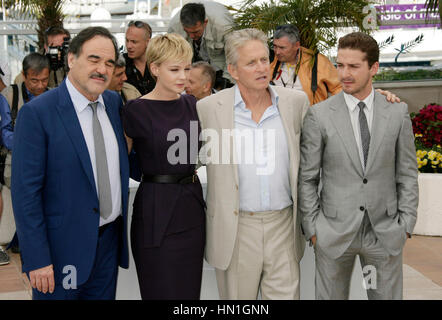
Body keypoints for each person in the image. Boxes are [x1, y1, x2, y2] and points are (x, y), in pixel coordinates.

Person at [11, 26, 130, 300]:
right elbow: (25, 194)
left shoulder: (113, 103)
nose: (102, 69)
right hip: (60, 252)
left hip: (108, 247)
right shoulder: (37, 114)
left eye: (109, 63)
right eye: (94, 59)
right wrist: (37, 258)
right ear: (71, 59)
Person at [298, 32, 418, 300]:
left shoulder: (397, 112)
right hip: (333, 233)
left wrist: (406, 223)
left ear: (373, 68)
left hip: (384, 234)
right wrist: (314, 228)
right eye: (340, 65)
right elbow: (308, 178)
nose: (344, 74)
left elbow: (407, 174)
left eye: (353, 66)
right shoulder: (319, 115)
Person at [197, 28, 309, 299]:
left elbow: (318, 150)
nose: (262, 68)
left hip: (284, 225)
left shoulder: (296, 103)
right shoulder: (209, 108)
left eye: (264, 59)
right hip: (236, 231)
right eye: (251, 63)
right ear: (233, 71)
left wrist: (378, 98)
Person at [122, 33, 205, 300]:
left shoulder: (193, 105)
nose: (183, 76)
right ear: (155, 68)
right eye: (174, 69)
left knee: (189, 293)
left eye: (187, 68)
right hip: (154, 212)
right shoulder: (135, 110)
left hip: (191, 210)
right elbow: (125, 163)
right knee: (159, 290)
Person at [270, 24, 341, 105]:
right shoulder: (270, 62)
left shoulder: (317, 61)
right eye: (275, 46)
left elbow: (339, 88)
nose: (277, 52)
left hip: (310, 115)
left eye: (282, 48)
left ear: (296, 45)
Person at [168, 1, 234, 88]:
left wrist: (227, 82)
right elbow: (172, 57)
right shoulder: (174, 27)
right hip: (191, 64)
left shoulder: (224, 26)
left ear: (205, 22)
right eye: (187, 32)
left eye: (196, 32)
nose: (191, 36)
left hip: (220, 66)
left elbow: (234, 56)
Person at [124, 20, 156, 95]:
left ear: (148, 42)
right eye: (127, 40)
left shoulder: (159, 63)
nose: (129, 46)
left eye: (134, 42)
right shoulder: (121, 63)